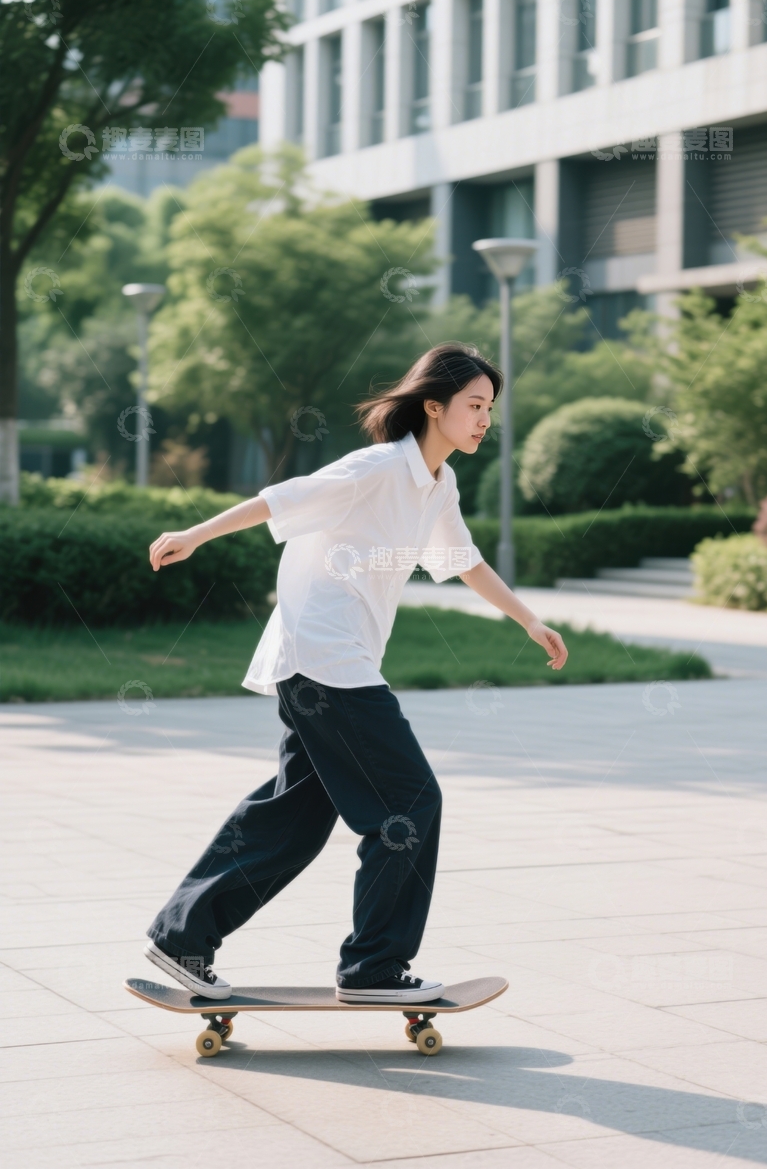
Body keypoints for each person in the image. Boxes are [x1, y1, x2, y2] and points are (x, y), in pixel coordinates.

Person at [143, 343, 568, 1003]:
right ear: (435, 407)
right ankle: (373, 968)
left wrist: (528, 621)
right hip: (326, 659)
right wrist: (195, 535)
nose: (485, 420)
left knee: (294, 817)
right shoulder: (376, 468)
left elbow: (464, 561)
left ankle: (181, 940)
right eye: (474, 406)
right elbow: (280, 499)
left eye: (490, 409)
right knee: (410, 803)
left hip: (325, 661)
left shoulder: (438, 483)